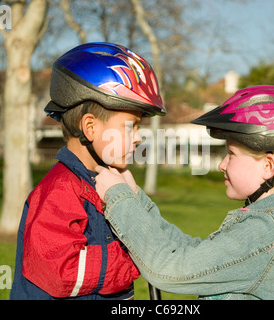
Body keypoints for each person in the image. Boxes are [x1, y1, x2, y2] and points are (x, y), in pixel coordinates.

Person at [95, 85, 274, 300]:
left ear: (268, 166)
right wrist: (135, 197)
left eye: (231, 154)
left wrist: (118, 198)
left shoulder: (268, 228)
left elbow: (170, 269)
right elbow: (189, 252)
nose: (221, 164)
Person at [10, 42, 165, 300]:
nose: (138, 138)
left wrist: (131, 200)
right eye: (131, 127)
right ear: (90, 128)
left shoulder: (101, 183)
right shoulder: (60, 190)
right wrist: (135, 254)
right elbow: (61, 271)